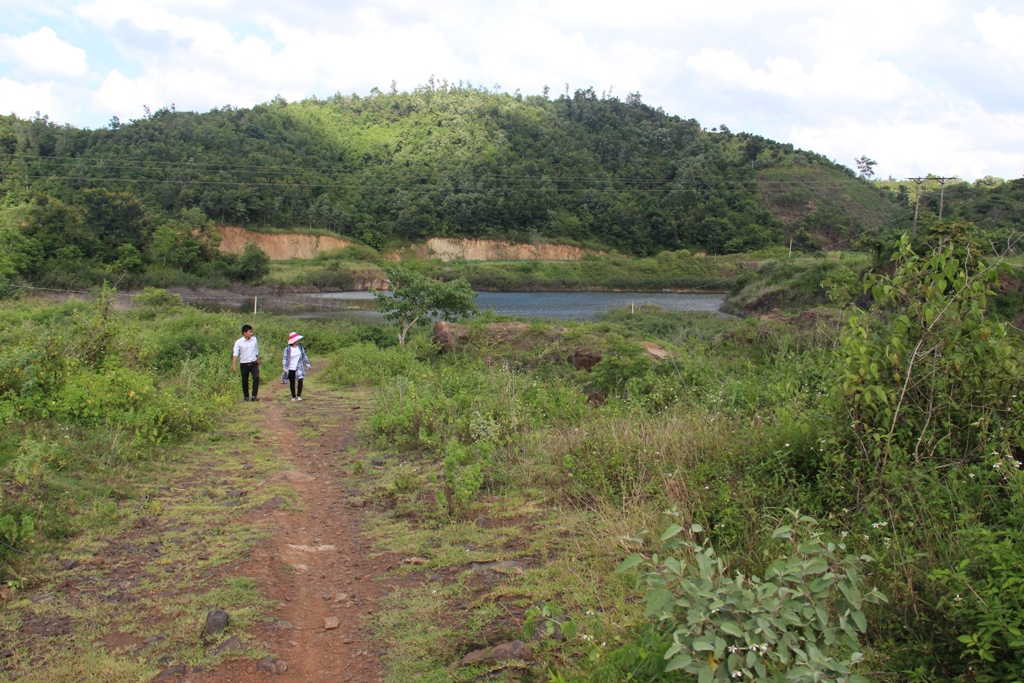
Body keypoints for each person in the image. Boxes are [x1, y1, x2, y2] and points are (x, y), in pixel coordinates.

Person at [231, 324, 260, 402]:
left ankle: (254, 395)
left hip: (253, 362)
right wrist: (234, 364)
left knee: (256, 377)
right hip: (244, 363)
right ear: (245, 333)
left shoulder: (254, 339)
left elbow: (256, 350)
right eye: (250, 332)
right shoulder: (239, 342)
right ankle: (246, 396)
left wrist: (258, 360)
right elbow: (235, 354)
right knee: (245, 380)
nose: (251, 333)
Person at [282, 332, 312, 401]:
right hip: (291, 367)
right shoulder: (288, 349)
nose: (298, 340)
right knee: (292, 382)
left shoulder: (300, 347)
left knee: (300, 379)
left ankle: (299, 395)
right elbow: (285, 359)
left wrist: (308, 364)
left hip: (299, 366)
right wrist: (285, 369)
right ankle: (293, 396)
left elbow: (304, 356)